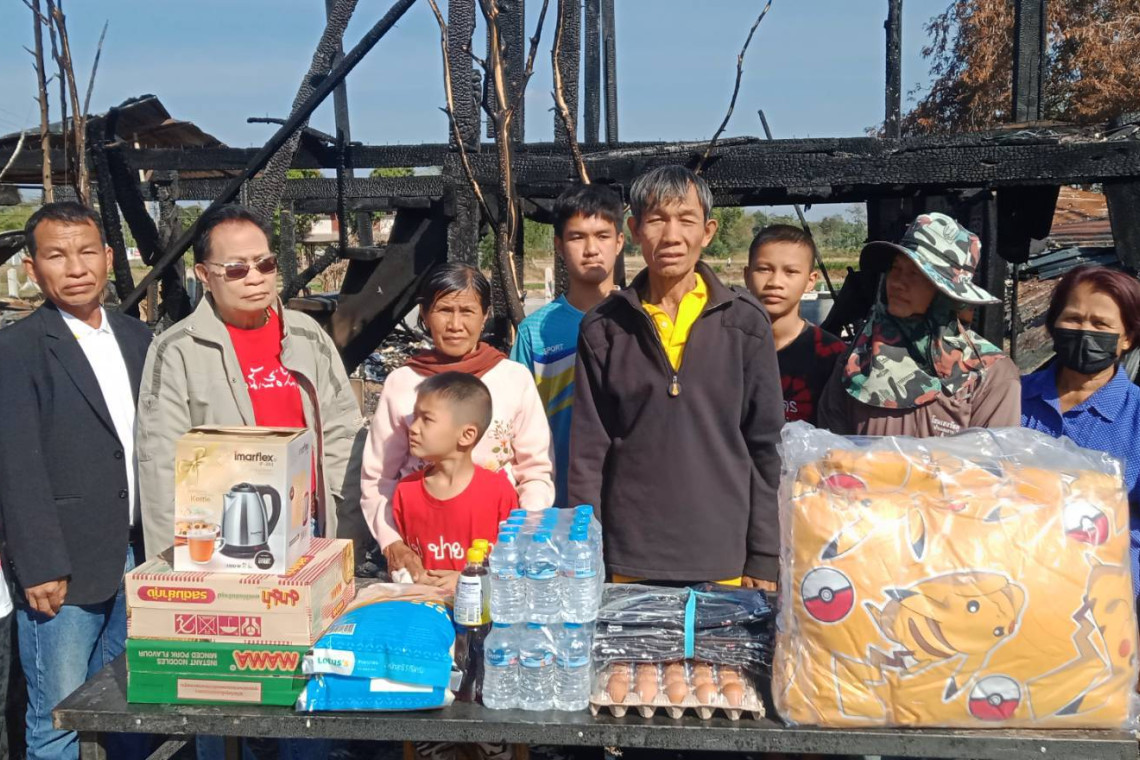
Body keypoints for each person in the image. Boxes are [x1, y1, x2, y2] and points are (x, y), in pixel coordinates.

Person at [568, 165, 785, 588]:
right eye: (656, 220)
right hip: (629, 557)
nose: (671, 236)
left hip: (725, 557)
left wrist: (764, 555)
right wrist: (586, 555)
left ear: (708, 232)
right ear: (634, 230)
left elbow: (766, 447)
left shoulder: (744, 323)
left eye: (686, 220)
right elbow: (587, 456)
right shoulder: (604, 328)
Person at [0, 202, 151, 760]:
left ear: (108, 257)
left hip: (141, 554)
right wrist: (39, 563)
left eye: (87, 252)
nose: (76, 267)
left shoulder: (139, 338)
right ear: (33, 267)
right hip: (64, 566)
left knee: (133, 704)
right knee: (57, 713)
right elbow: (14, 465)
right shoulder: (17, 350)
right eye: (57, 255)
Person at [137, 204, 366, 559]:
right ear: (204, 274)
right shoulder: (178, 351)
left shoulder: (307, 336)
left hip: (310, 526)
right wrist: (172, 561)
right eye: (236, 269)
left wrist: (344, 524)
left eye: (265, 264)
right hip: (221, 539)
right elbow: (161, 464)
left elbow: (342, 432)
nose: (255, 277)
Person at [362, 264, 554, 581]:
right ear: (425, 314)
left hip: (495, 554)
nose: (455, 324)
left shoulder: (512, 378)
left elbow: (535, 472)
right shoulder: (403, 382)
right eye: (443, 310)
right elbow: (378, 479)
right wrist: (393, 543)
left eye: (467, 311)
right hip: (421, 554)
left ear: (485, 315)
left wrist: (514, 546)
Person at [817, 212, 1021, 436]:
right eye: (896, 268)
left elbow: (993, 454)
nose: (897, 283)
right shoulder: (856, 361)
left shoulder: (988, 374)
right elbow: (830, 447)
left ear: (945, 294)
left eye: (916, 273)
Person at [1021, 265, 1140, 595]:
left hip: (1101, 597)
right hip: (1010, 581)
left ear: (1127, 337)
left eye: (1101, 324)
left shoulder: (1135, 417)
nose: (1085, 331)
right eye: (1073, 318)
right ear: (1053, 325)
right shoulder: (1013, 396)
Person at [510, 183, 624, 507]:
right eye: (577, 237)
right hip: (556, 504)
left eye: (602, 236)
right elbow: (515, 424)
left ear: (619, 242)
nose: (591, 249)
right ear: (559, 246)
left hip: (629, 501)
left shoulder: (642, 321)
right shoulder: (534, 332)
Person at [392, 372, 520, 592]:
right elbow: (402, 561)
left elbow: (513, 564)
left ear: (467, 435)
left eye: (427, 419)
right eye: (415, 417)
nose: (413, 428)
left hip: (481, 608)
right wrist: (410, 576)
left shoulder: (499, 492)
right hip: (422, 605)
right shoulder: (406, 491)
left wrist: (470, 580)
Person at [744, 224, 846, 425]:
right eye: (764, 269)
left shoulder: (832, 355)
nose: (775, 282)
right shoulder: (726, 347)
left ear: (810, 281)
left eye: (790, 272)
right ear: (747, 275)